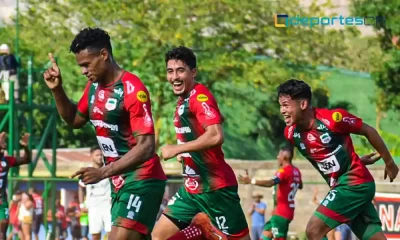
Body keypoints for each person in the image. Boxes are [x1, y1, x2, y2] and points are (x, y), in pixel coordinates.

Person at [43, 27, 167, 240]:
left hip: (142, 178)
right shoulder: (93, 88)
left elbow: (146, 146)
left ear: (104, 54)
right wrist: (57, 90)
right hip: (118, 182)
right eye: (80, 66)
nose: (83, 71)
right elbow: (74, 119)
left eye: (86, 64)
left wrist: (103, 172)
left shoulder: (132, 89)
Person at [277, 79, 399, 240]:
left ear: (303, 104)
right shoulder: (291, 133)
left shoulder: (333, 119)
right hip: (346, 184)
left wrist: (389, 162)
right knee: (374, 237)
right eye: (280, 105)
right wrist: (356, 160)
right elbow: (325, 159)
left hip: (354, 184)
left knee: (314, 230)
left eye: (286, 105)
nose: (282, 111)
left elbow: (368, 131)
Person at [152, 46, 250, 240]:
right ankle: (201, 229)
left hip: (216, 190)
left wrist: (177, 148)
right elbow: (201, 132)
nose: (174, 77)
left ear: (193, 72)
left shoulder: (199, 96)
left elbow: (215, 135)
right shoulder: (183, 100)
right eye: (170, 71)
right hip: (192, 190)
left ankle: (202, 230)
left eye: (181, 70)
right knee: (158, 236)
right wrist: (185, 153)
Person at [238, 145, 302, 240]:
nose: (277, 157)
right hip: (286, 211)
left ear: (284, 157)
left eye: (279, 154)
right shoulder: (296, 171)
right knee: (265, 236)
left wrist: (251, 181)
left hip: (281, 213)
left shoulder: (283, 171)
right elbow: (300, 185)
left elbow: (271, 182)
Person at [0, 133, 31, 240]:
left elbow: (27, 159)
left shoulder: (6, 161)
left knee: (3, 226)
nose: (4, 142)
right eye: (2, 141)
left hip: (1, 200)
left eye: (4, 141)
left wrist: (25, 147)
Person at [78, 146, 111, 240]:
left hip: (108, 205)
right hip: (93, 207)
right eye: (97, 155)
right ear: (91, 156)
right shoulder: (87, 171)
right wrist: (81, 205)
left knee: (111, 232)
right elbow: (81, 187)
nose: (100, 157)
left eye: (101, 155)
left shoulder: (108, 169)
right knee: (95, 234)